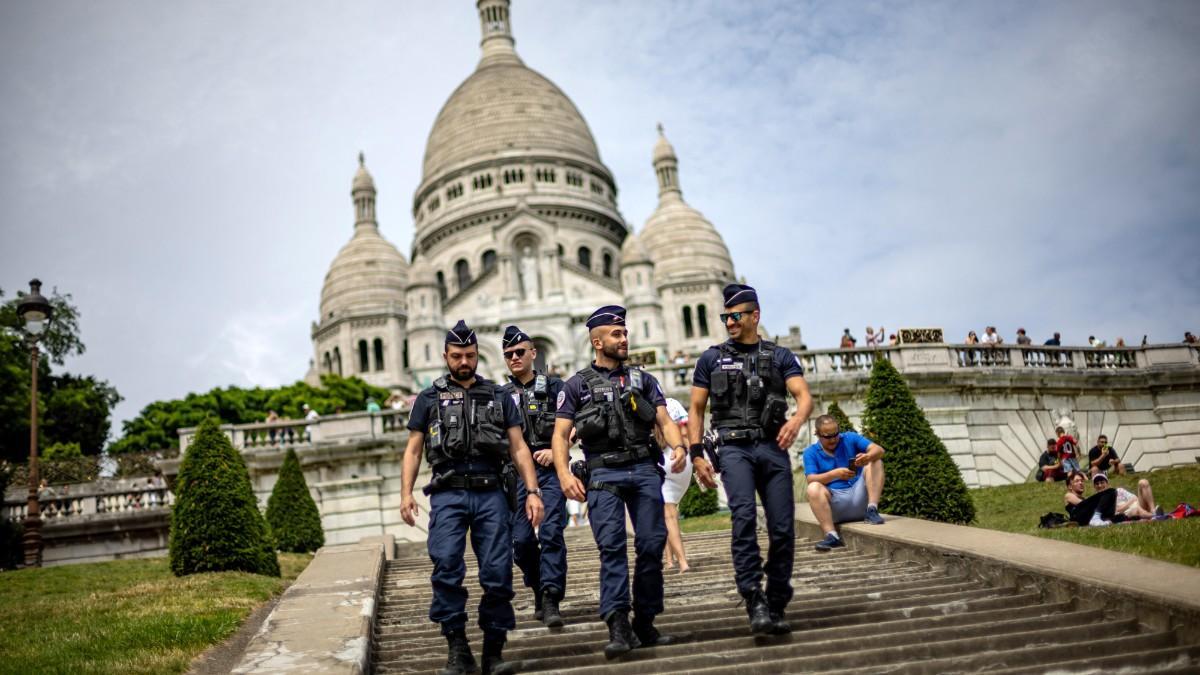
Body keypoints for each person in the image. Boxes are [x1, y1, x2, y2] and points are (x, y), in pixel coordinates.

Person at [399, 319, 544, 675]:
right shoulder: (429, 399)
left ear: (478, 354)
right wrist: (406, 493)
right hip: (448, 493)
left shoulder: (498, 395)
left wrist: (533, 491)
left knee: (497, 572)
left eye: (469, 355)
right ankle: (457, 648)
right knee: (446, 566)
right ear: (445, 356)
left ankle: (493, 652)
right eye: (456, 356)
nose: (463, 362)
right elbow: (414, 450)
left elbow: (519, 448)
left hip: (491, 492)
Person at [552, 305, 685, 659]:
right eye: (616, 334)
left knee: (653, 544)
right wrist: (564, 474)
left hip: (643, 469)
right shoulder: (576, 384)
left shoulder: (643, 380)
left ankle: (645, 619)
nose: (624, 339)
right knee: (611, 547)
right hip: (603, 474)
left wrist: (679, 446)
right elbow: (561, 434)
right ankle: (617, 624)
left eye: (624, 333)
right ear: (597, 341)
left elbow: (664, 419)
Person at [688, 283, 814, 635]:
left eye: (735, 316)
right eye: (725, 316)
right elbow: (696, 409)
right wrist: (697, 454)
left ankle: (777, 596)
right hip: (733, 449)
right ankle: (753, 597)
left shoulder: (779, 357)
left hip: (772, 448)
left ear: (754, 316)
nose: (729, 322)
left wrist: (797, 419)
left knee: (783, 528)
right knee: (743, 516)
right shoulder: (711, 358)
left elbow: (804, 396)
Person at [499, 325, 569, 628]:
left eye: (519, 352)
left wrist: (557, 452)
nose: (514, 357)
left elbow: (573, 425)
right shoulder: (499, 395)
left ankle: (551, 597)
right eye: (508, 354)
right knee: (522, 541)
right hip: (515, 476)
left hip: (549, 470)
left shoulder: (555, 388)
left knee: (552, 532)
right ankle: (539, 584)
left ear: (533, 353)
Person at [803, 415, 886, 550]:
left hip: (859, 497)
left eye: (835, 434)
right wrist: (834, 474)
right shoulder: (810, 452)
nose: (833, 439)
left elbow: (879, 450)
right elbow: (810, 479)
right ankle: (832, 535)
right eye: (828, 436)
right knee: (813, 488)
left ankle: (872, 510)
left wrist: (868, 456)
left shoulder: (850, 438)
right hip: (836, 505)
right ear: (817, 434)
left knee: (876, 461)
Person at [659, 398, 692, 574]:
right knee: (665, 513)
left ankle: (682, 561)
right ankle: (669, 560)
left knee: (668, 515)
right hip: (682, 459)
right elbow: (685, 432)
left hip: (663, 460)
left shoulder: (643, 404)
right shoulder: (672, 402)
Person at [1093, 473, 1161, 520]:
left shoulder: (1119, 491)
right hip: (1128, 514)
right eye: (1097, 484)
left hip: (1138, 505)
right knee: (1136, 509)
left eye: (1102, 482)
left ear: (1107, 484)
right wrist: (1128, 504)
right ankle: (1155, 516)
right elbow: (1115, 511)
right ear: (1094, 487)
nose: (1100, 485)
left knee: (1143, 482)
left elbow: (1135, 498)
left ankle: (1153, 510)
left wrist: (1123, 507)